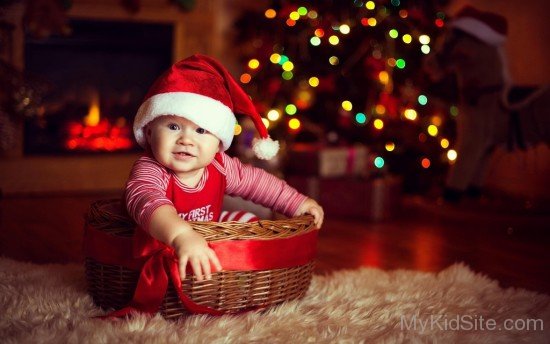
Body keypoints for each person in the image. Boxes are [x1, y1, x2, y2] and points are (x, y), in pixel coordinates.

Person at [125, 54, 324, 284]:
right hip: (158, 239)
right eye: (173, 126)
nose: (186, 140)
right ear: (149, 132)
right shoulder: (149, 169)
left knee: (248, 223)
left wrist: (297, 202)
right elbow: (147, 201)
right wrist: (181, 235)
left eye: (201, 131)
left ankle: (240, 276)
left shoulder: (219, 164)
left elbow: (258, 183)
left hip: (205, 232)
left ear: (219, 143)